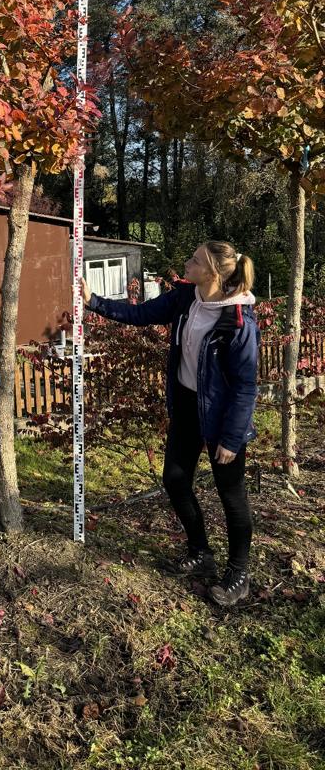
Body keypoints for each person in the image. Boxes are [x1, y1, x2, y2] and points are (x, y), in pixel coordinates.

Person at [82, 242, 259, 608]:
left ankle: (239, 573)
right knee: (175, 480)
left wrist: (230, 437)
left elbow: (245, 386)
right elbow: (141, 314)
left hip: (223, 420)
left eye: (194, 260)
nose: (186, 263)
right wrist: (93, 301)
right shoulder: (185, 298)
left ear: (213, 272)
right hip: (186, 410)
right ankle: (200, 550)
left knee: (232, 496)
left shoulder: (238, 321)